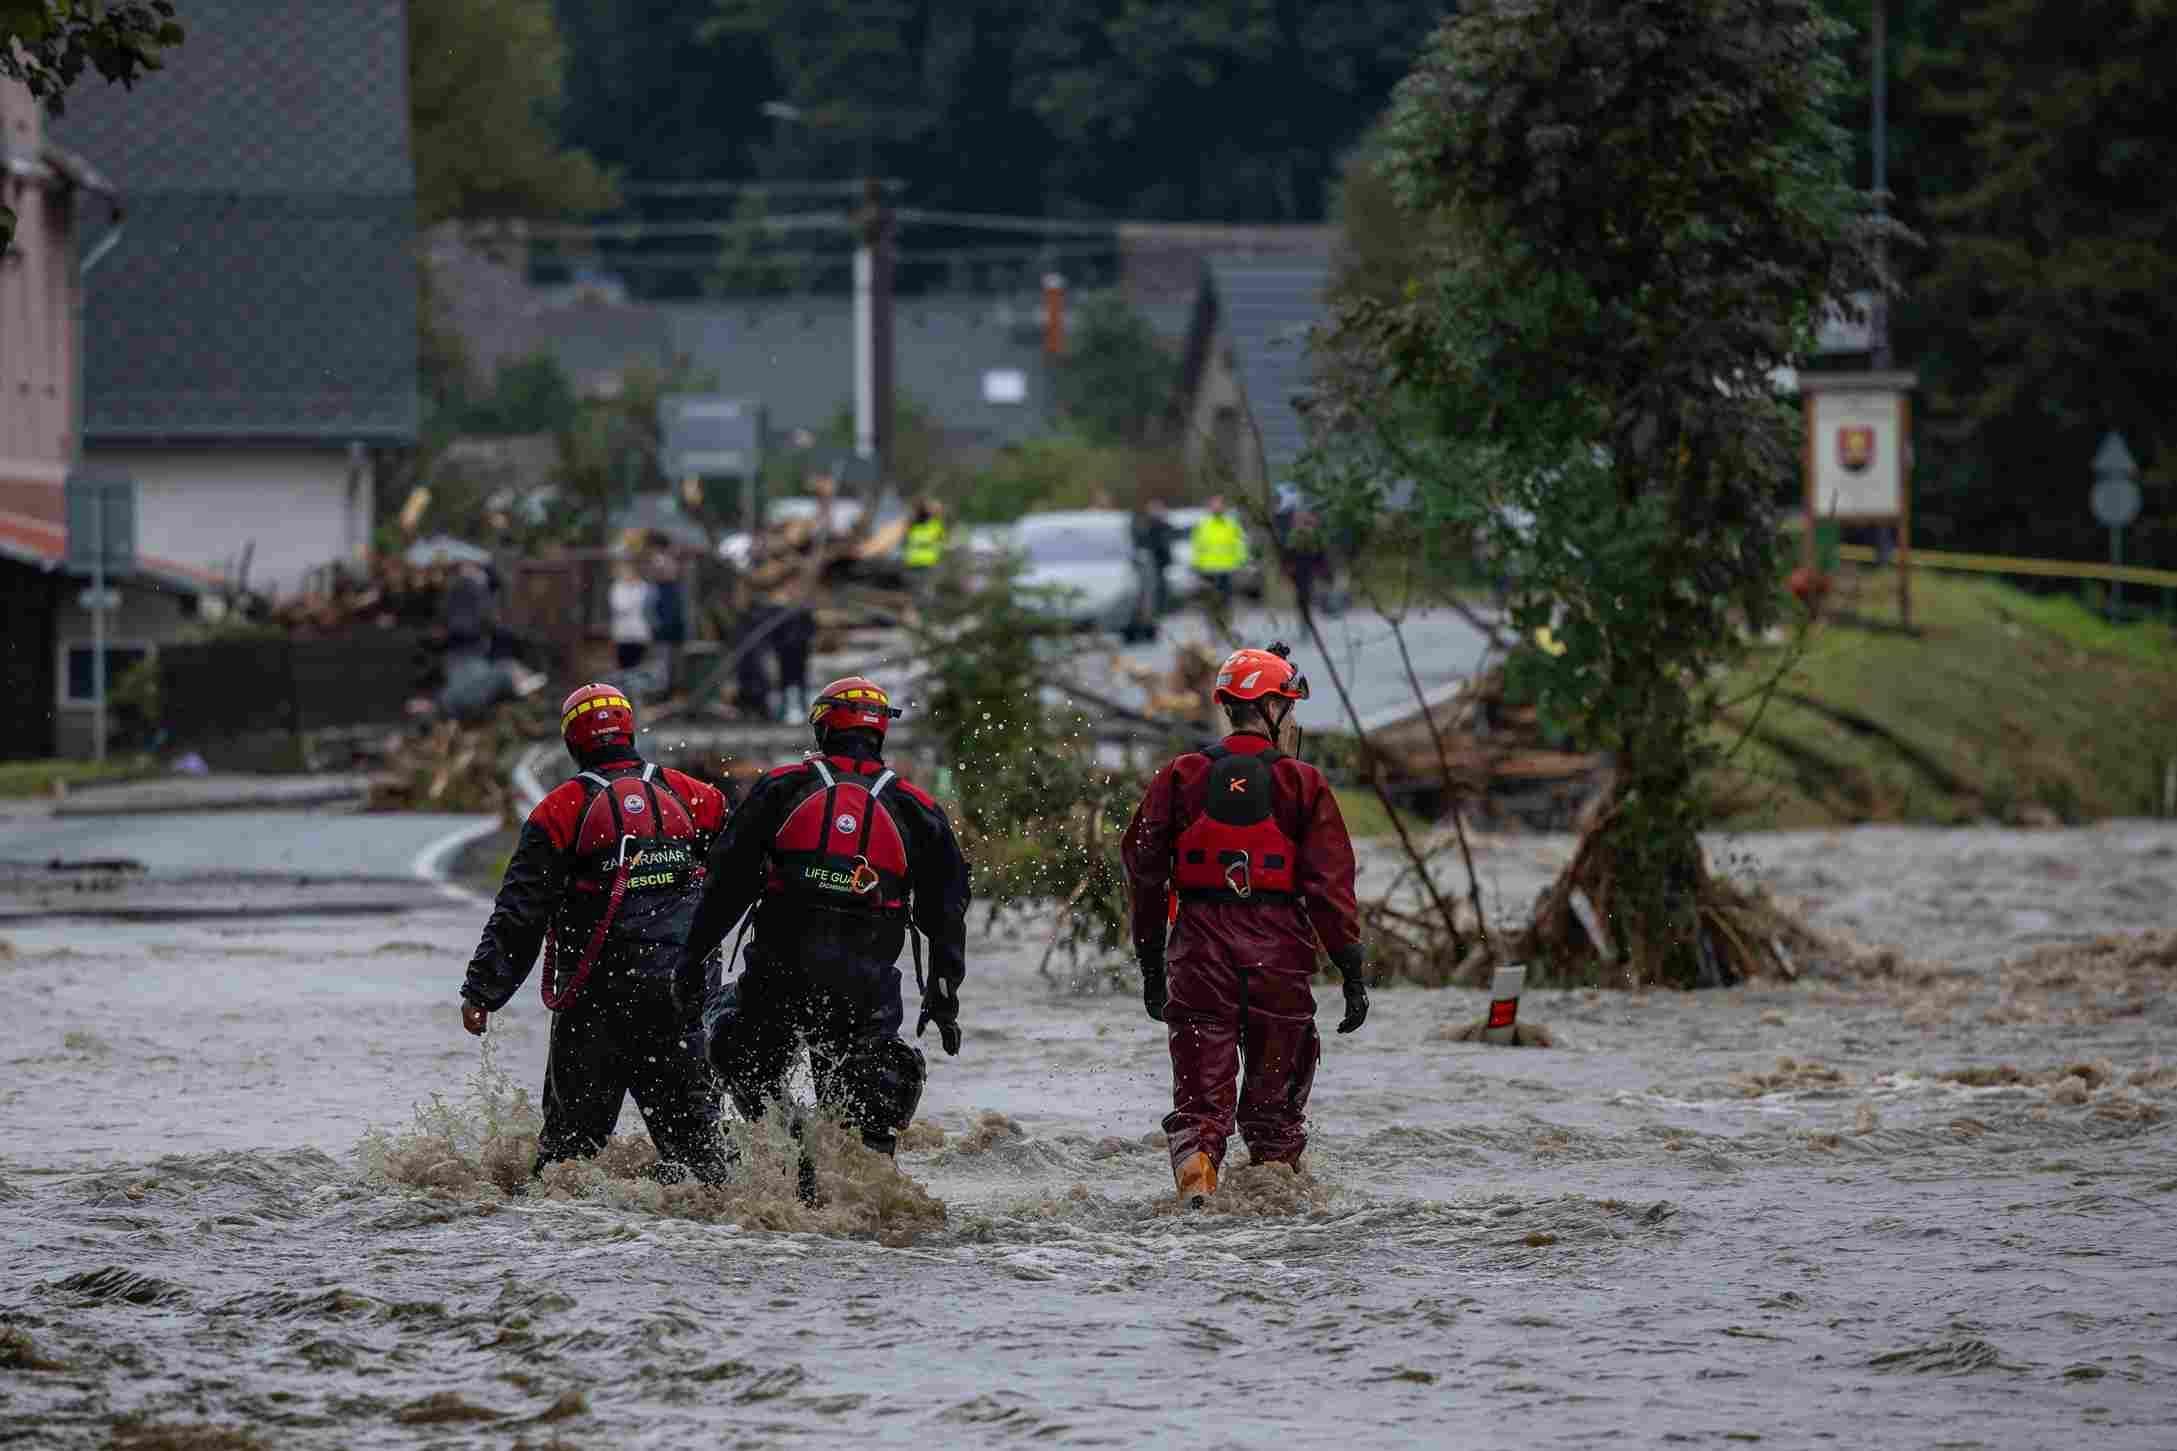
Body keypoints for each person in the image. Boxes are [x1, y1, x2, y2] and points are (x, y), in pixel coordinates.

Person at [674, 675, 970, 1173]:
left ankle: (788, 1153)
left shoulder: (782, 788)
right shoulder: (917, 810)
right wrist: (944, 998)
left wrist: (690, 959)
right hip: (866, 992)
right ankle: (861, 1185)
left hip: (776, 982)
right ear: (880, 734)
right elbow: (946, 914)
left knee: (732, 1042)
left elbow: (724, 887)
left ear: (823, 729)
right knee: (873, 1098)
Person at [1120, 642, 1367, 1205]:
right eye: (1289, 704)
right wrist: (1351, 970)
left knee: (1200, 1109)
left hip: (1199, 950)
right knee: (1275, 1115)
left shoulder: (1179, 776)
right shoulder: (1303, 783)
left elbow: (1145, 873)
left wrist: (1151, 963)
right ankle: (1272, 1206)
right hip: (1278, 950)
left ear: (1227, 704)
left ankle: (1199, 1189)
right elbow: (1331, 887)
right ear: (1275, 709)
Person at [459, 684, 733, 1183]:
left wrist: (483, 990)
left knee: (567, 1162)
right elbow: (740, 881)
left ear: (571, 743)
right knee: (703, 1159)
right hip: (681, 999)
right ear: (629, 732)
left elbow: (521, 913)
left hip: (597, 1006)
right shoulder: (699, 798)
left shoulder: (558, 812)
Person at [1188, 495, 1250, 615]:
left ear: (1224, 507)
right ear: (1209, 507)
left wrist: (1242, 560)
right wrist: (1195, 564)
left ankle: (1224, 621)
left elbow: (1240, 543)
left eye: (1219, 505)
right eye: (1214, 505)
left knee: (1225, 599)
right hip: (1207, 568)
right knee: (1211, 599)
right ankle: (1214, 619)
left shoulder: (1231, 524)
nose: (1217, 508)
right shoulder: (1203, 525)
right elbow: (1196, 545)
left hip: (1226, 568)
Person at [1128, 497, 1178, 642]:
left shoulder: (1164, 526)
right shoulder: (1146, 526)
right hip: (1149, 569)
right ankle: (1146, 629)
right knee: (1147, 599)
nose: (1157, 512)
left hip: (1160, 568)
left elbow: (1167, 545)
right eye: (1154, 509)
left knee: (1156, 599)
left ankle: (1150, 627)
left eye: (1159, 509)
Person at [608, 559, 653, 674]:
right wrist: (633, 599)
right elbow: (619, 606)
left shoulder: (644, 587)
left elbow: (648, 606)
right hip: (622, 634)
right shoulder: (617, 587)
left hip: (640, 633)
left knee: (638, 666)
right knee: (623, 666)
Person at [901, 499, 947, 596]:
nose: (932, 511)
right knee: (908, 589)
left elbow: (940, 542)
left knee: (918, 591)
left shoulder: (937, 526)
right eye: (931, 508)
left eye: (935, 509)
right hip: (912, 562)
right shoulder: (915, 523)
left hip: (924, 564)